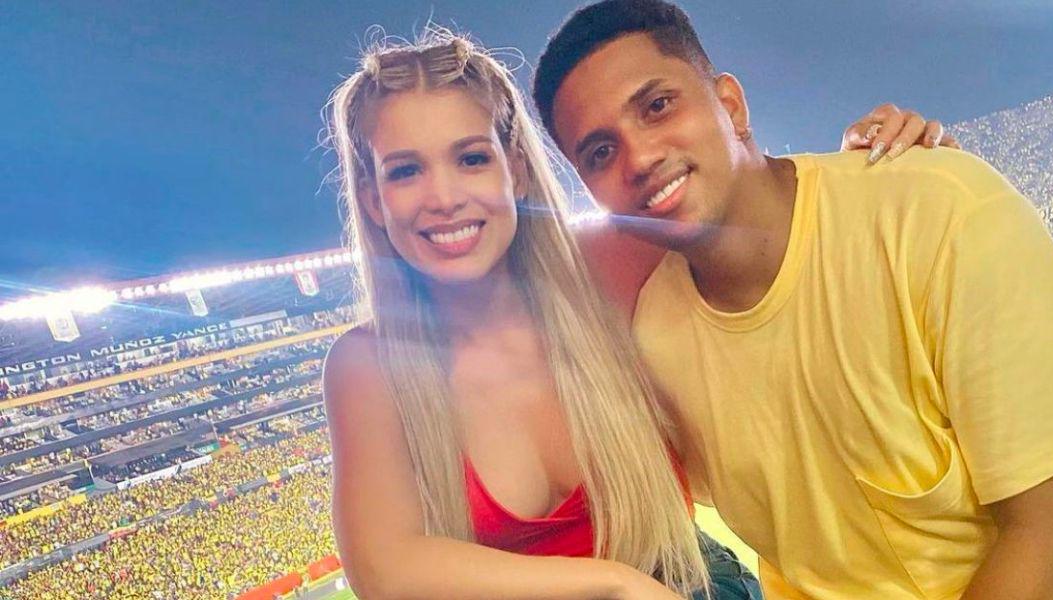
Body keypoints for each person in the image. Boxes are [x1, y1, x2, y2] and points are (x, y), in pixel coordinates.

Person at [532, 1, 1053, 599]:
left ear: (730, 104)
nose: (640, 157)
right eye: (600, 152)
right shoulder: (654, 336)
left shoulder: (937, 212)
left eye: (658, 106)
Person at [321, 27, 947, 600]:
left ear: (515, 169)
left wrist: (867, 171)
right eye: (406, 171)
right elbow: (385, 569)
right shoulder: (367, 366)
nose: (444, 197)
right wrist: (614, 583)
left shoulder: (605, 263)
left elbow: (764, 217)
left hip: (690, 583)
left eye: (471, 158)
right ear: (373, 199)